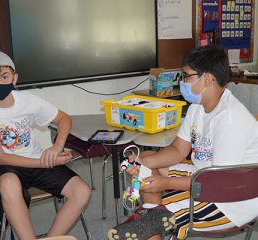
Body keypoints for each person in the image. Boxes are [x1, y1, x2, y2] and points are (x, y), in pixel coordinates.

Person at [108, 44, 258, 240]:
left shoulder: (230, 118)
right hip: (206, 173)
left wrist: (166, 183)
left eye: (186, 76)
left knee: (160, 208)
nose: (183, 82)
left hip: (233, 198)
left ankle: (152, 220)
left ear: (208, 79)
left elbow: (219, 183)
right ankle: (152, 219)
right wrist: (141, 164)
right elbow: (178, 149)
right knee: (147, 158)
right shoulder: (198, 106)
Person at [0, 51, 91, 240]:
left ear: (14, 78)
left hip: (37, 159)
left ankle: (52, 237)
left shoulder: (27, 100)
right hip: (7, 166)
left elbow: (63, 118)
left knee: (82, 191)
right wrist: (47, 162)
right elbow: (0, 157)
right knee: (8, 184)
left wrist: (57, 147)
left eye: (4, 76)